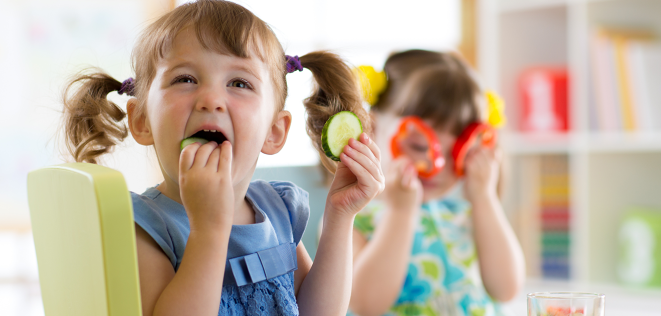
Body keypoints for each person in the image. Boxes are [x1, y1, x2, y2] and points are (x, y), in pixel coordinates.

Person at [59, 1, 385, 315]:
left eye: (239, 83)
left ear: (274, 131)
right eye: (185, 79)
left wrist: (340, 217)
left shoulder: (277, 211)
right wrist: (209, 231)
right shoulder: (143, 226)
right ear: (142, 119)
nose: (211, 99)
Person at [349, 50, 524, 316]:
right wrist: (400, 212)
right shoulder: (353, 217)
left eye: (457, 153)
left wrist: (484, 198)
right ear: (371, 128)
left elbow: (507, 289)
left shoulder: (468, 212)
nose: (437, 167)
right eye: (420, 146)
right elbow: (363, 304)